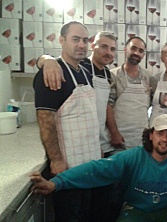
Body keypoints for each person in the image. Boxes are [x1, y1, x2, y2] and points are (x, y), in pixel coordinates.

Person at [30, 114, 167, 222]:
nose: (165, 139)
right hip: (137, 210)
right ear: (150, 135)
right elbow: (96, 169)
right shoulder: (133, 157)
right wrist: (55, 183)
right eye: (160, 133)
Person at [33, 21, 101, 222]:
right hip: (68, 166)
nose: (81, 45)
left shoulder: (85, 71)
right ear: (61, 40)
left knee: (85, 214)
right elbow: (46, 120)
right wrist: (56, 159)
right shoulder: (53, 71)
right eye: (75, 39)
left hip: (88, 164)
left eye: (85, 40)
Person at [36, 31, 117, 156]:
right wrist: (47, 60)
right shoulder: (81, 66)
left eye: (112, 49)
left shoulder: (108, 74)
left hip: (98, 140)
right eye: (104, 47)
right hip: (72, 141)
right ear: (92, 46)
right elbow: (45, 118)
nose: (108, 52)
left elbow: (105, 107)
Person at [106, 36, 152, 150]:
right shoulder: (113, 75)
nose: (136, 53)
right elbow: (108, 107)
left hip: (142, 137)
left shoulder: (148, 77)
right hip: (120, 138)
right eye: (133, 48)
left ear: (143, 55)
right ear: (125, 49)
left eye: (141, 51)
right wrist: (114, 133)